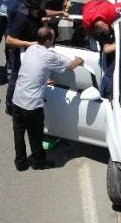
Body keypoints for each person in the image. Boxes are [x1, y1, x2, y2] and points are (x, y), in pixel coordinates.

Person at [11, 27, 83, 171]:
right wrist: (80, 59)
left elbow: (34, 70)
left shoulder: (31, 49)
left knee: (18, 133)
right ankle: (38, 162)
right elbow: (70, 66)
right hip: (32, 105)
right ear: (48, 40)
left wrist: (43, 81)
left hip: (17, 100)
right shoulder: (49, 55)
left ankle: (20, 162)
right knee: (35, 135)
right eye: (54, 38)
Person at [5, 0, 69, 115]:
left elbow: (45, 12)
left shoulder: (35, 11)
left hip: (33, 51)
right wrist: (29, 44)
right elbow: (9, 40)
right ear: (35, 2)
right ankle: (10, 106)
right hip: (22, 53)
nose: (44, 4)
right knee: (16, 78)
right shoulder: (22, 18)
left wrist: (60, 13)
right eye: (43, 1)